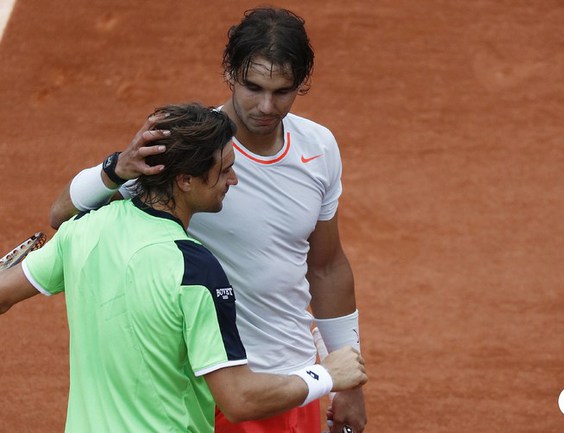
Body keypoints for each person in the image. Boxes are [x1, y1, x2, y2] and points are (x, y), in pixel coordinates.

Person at [49, 8, 366, 433]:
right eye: (253, 87)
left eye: (282, 92)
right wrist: (116, 168)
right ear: (230, 73)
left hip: (297, 379)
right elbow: (62, 216)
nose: (266, 106)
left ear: (300, 84)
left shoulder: (319, 147)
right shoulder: (190, 150)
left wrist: (348, 383)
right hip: (213, 387)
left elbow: (326, 267)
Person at [0, 102, 367, 433]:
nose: (234, 180)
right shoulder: (196, 272)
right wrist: (326, 375)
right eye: (224, 171)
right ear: (185, 180)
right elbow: (239, 400)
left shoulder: (82, 230)